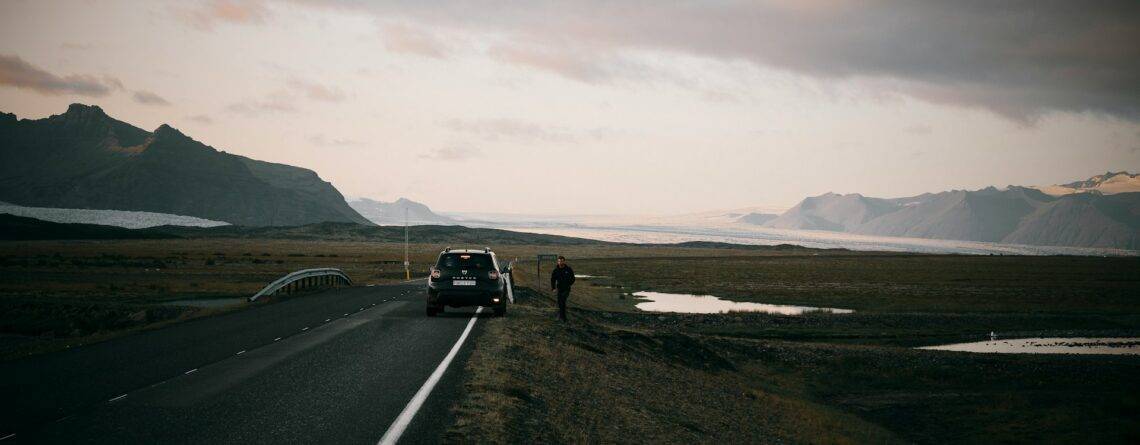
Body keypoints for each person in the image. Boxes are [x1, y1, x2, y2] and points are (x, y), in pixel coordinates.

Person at [550, 255, 575, 321]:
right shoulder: (556, 270)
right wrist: (553, 288)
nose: (560, 262)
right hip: (559, 289)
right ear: (557, 262)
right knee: (560, 302)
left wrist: (569, 284)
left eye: (561, 261)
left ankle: (563, 318)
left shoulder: (568, 269)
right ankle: (561, 315)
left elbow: (573, 278)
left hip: (566, 289)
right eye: (559, 261)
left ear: (564, 261)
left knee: (563, 301)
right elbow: (553, 279)